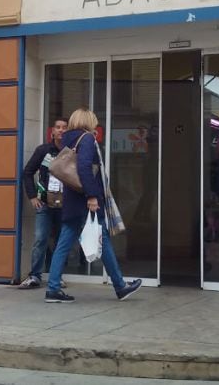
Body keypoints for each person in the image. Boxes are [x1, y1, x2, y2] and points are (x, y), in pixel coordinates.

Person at [44, 107, 141, 303]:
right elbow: (84, 167)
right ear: (88, 121)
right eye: (94, 121)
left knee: (64, 244)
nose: (96, 125)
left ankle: (53, 288)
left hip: (71, 202)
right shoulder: (86, 139)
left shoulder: (68, 139)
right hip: (84, 203)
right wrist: (92, 196)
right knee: (102, 239)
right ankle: (120, 286)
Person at [16, 118, 68, 289]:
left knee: (62, 241)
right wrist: (32, 196)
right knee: (40, 239)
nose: (61, 130)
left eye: (64, 128)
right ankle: (35, 276)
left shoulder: (71, 151)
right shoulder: (43, 151)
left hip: (65, 204)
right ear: (52, 131)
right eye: (58, 127)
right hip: (44, 203)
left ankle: (56, 276)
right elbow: (27, 172)